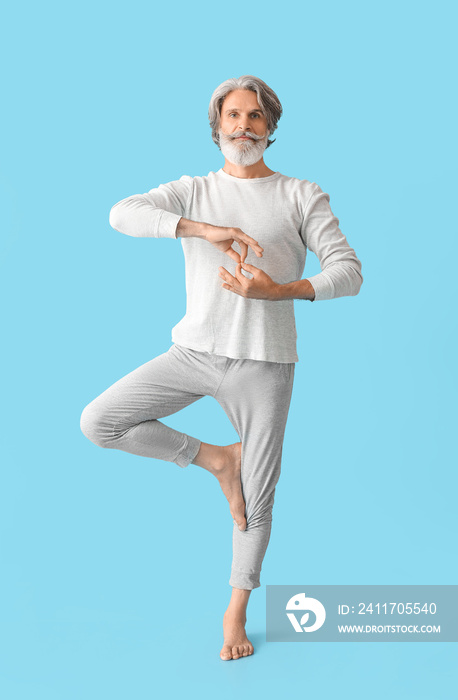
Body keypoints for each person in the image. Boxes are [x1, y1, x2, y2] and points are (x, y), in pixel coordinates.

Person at [80, 75, 363, 661]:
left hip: (265, 364)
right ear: (216, 129)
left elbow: (349, 271)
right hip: (193, 354)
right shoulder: (192, 190)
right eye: (232, 116)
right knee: (99, 422)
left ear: (272, 129)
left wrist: (280, 290)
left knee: (258, 497)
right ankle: (215, 459)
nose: (243, 126)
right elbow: (120, 214)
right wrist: (204, 229)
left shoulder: (301, 194)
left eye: (255, 117)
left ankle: (235, 607)